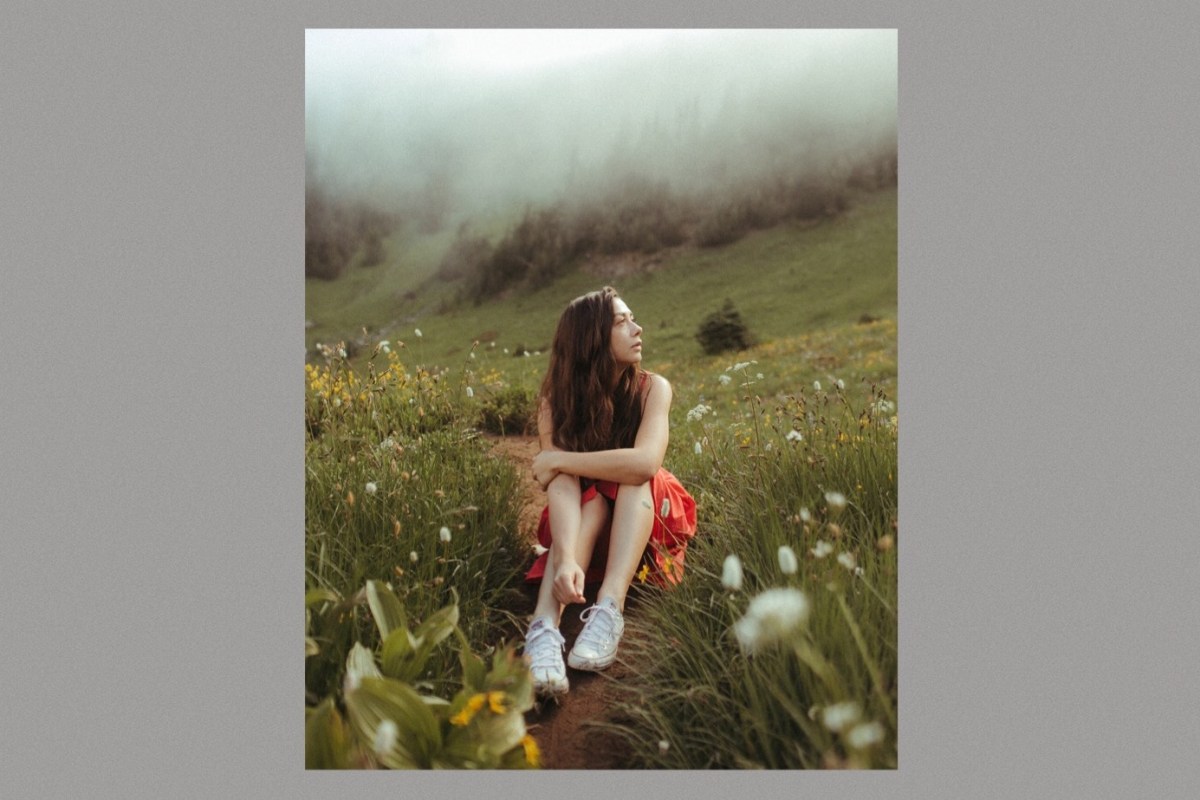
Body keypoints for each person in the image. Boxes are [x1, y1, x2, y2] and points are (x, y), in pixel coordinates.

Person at [522, 286, 697, 698]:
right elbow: (560, 485)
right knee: (593, 497)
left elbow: (644, 464)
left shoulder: (654, 388)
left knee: (626, 481)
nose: (637, 329)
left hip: (641, 520)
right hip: (583, 527)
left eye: (632, 319)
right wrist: (563, 556)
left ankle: (610, 606)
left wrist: (562, 460)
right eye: (622, 322)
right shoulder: (555, 399)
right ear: (592, 338)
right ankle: (543, 627)